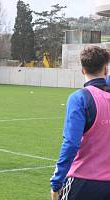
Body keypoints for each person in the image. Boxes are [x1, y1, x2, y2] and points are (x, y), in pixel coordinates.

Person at [50, 46, 110, 200]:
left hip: (82, 181)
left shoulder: (80, 98)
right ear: (106, 69)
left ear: (83, 70)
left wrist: (56, 182)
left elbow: (71, 143)